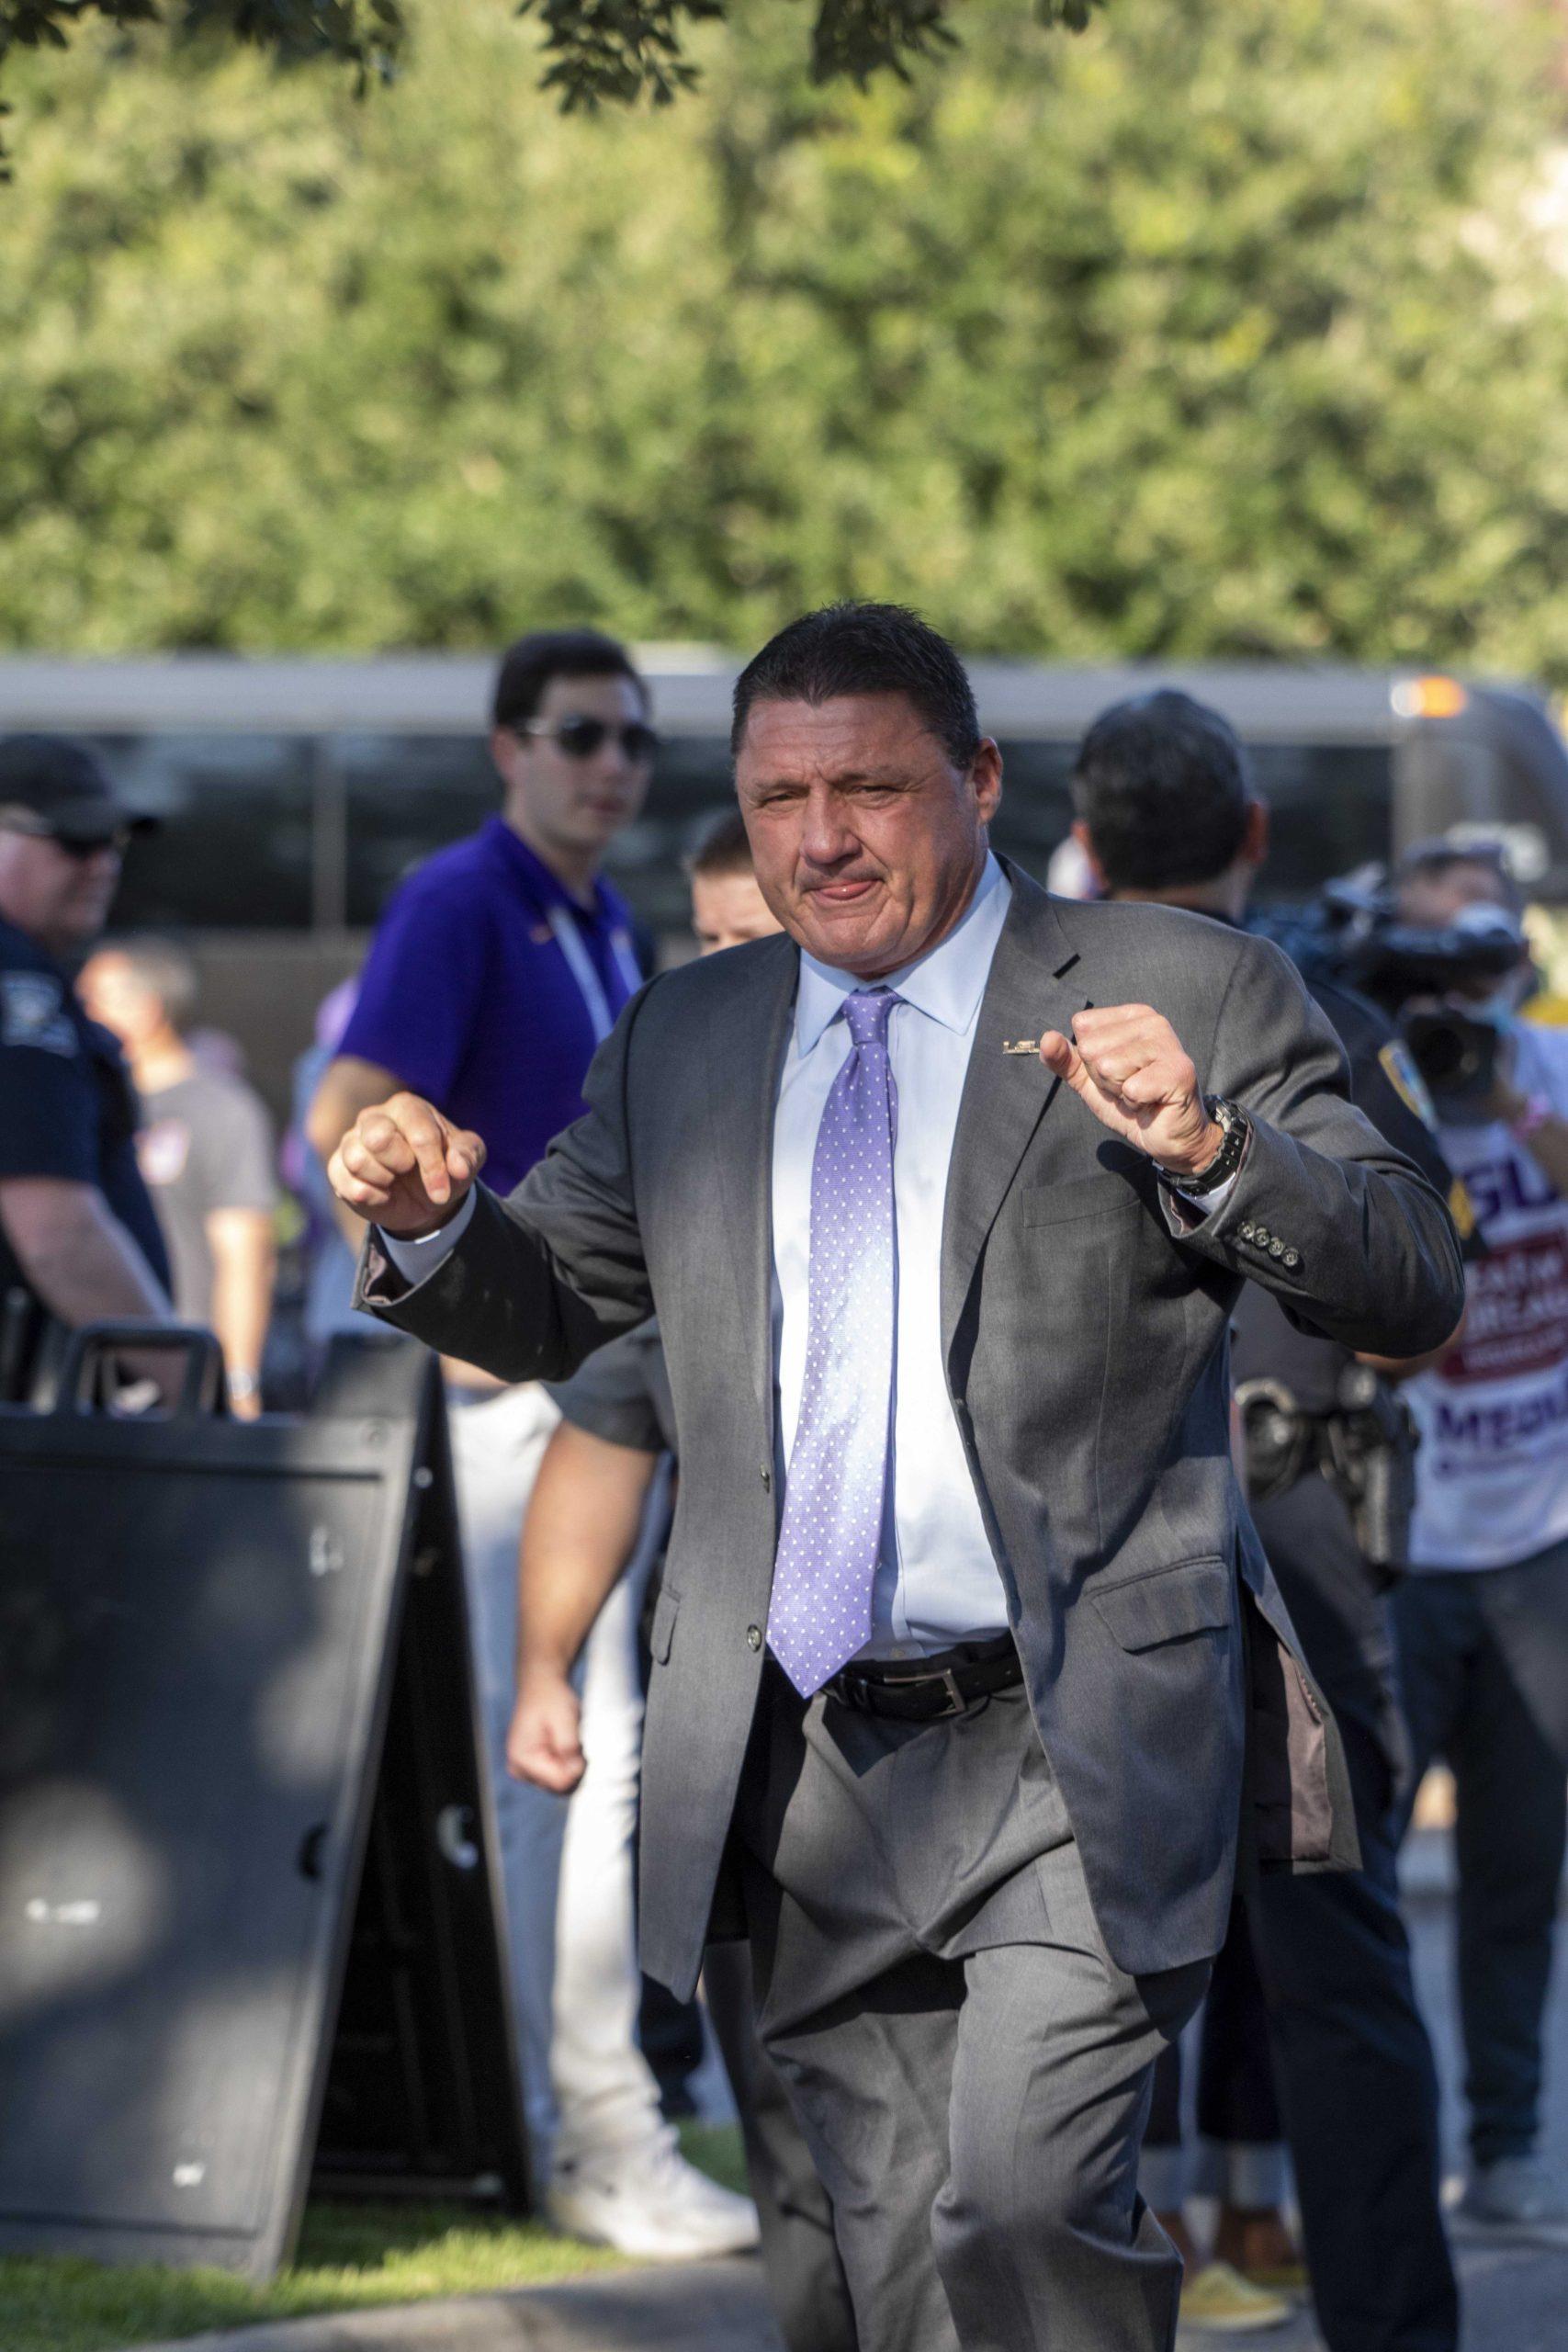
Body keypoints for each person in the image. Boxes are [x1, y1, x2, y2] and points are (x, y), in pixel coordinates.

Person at [330, 601, 1464, 2352]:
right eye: (777, 798)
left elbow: (1406, 1271)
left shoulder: (1184, 985)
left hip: (1074, 1731)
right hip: (800, 1761)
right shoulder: (688, 1039)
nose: (819, 839)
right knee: (897, 2279)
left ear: (980, 781)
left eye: (865, 787)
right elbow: (548, 1308)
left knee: (1022, 2202)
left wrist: (1213, 1149)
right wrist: (425, 1227)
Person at [306, 628, 750, 2258]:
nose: (611, 762)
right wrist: (432, 1272)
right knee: (570, 1772)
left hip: (588, 1380)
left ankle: (601, 2113)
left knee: (597, 1771)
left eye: (632, 737)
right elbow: (347, 1100)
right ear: (509, 748)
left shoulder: (591, 912)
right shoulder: (463, 896)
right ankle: (588, 2136)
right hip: (511, 1401)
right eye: (577, 734)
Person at [1071, 689, 1461, 2352]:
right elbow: (1406, 1300)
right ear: (1250, 837)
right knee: (1334, 1963)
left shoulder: (1025, 1017)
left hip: (1081, 1551)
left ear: (1079, 840)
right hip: (1285, 1545)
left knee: (1061, 1973)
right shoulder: (1321, 1015)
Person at [510, 810, 852, 2332]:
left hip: (966, 1710)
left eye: (759, 942)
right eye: (710, 943)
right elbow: (603, 1432)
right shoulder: (683, 1172)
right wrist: (542, 1668)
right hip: (748, 1697)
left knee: (976, 2150)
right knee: (790, 2118)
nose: (737, 973)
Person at [1388, 838, 1568, 2242]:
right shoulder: (1361, 1073)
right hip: (1394, 1535)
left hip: (1536, 1542)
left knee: (1516, 1868)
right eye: (1427, 962)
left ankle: (1503, 2148)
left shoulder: (1546, 1072)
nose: (1457, 989)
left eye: (1480, 957)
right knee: (1350, 1881)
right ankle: (1376, 2156)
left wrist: (1513, 1112)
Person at [0, 734, 172, 1402]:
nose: (101, 864)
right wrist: (195, 1390)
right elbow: (58, 1234)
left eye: (112, 843)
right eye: (73, 841)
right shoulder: (15, 981)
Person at [79, 938, 277, 1418]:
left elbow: (245, 1257)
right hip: (85, 1379)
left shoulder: (222, 1109)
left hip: (182, 1379)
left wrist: (237, 1383)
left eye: (91, 1002)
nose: (77, 1014)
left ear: (146, 1010)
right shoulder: (86, 1103)